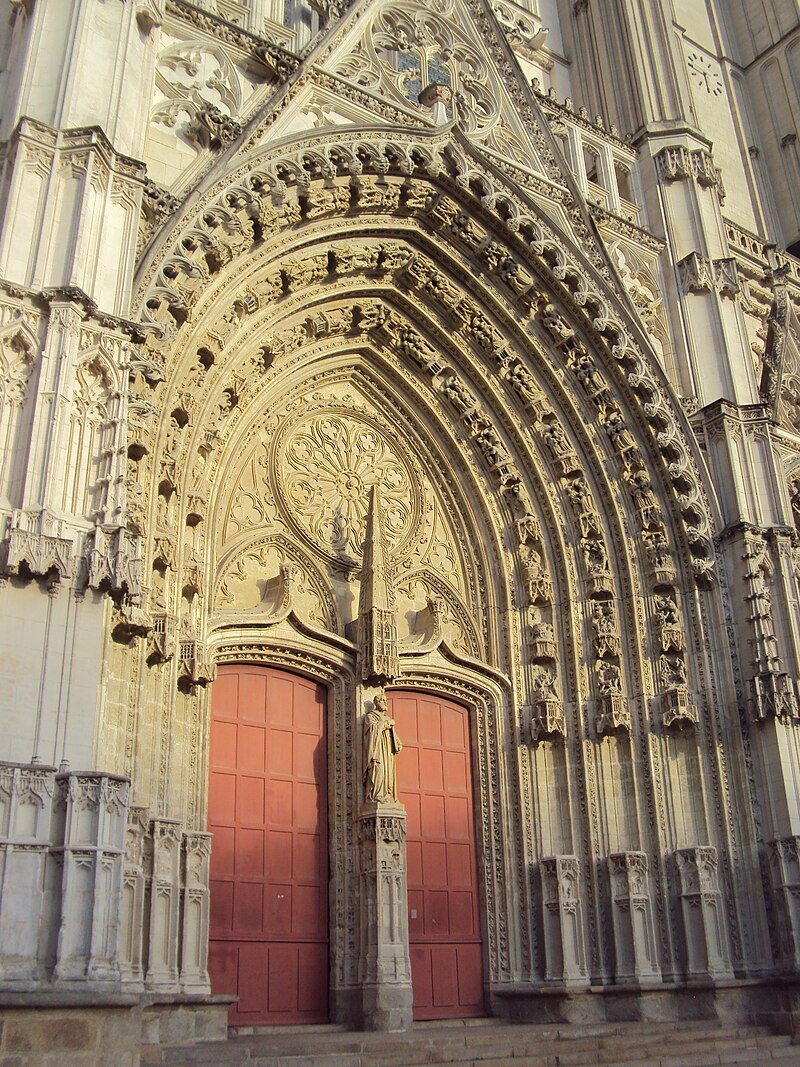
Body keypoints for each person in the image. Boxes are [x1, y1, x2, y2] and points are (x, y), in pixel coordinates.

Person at [363, 693, 402, 803]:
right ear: (376, 703)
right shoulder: (370, 716)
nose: (385, 702)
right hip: (377, 750)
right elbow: (371, 730)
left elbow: (392, 735)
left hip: (387, 751)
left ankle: (388, 795)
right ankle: (377, 795)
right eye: (382, 700)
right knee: (378, 770)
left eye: (385, 700)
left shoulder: (387, 718)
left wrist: (398, 742)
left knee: (387, 773)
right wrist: (385, 724)